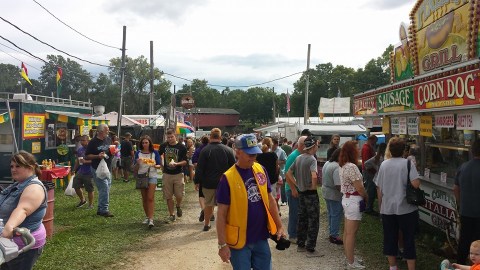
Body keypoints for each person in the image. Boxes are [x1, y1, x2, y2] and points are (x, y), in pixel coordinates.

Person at [216, 134, 285, 270]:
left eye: (255, 154)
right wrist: (222, 245)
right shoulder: (227, 178)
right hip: (239, 242)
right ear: (238, 151)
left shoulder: (260, 169)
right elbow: (221, 214)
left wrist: (279, 226)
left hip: (261, 237)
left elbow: (270, 200)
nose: (253, 158)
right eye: (250, 154)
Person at [376, 137, 420, 270]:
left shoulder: (384, 164)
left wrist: (380, 206)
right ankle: (410, 267)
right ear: (404, 150)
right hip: (406, 208)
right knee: (408, 239)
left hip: (387, 208)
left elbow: (379, 188)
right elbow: (416, 184)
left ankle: (393, 267)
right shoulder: (407, 164)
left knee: (390, 238)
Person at [0, 151, 47, 269]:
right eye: (12, 166)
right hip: (7, 244)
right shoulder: (17, 184)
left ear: (30, 167)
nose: (13, 169)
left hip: (23, 246)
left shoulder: (34, 187)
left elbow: (23, 209)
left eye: (18, 166)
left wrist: (8, 229)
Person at [286, 136, 322, 257]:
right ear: (313, 146)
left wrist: (296, 183)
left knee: (302, 218)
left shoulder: (298, 158)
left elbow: (288, 173)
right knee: (313, 220)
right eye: (317, 145)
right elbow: (314, 176)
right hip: (310, 194)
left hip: (301, 192)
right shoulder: (312, 159)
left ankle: (301, 244)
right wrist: (313, 187)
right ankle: (311, 248)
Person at [195, 128, 235, 231]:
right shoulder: (228, 150)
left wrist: (197, 181)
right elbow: (233, 168)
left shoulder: (205, 150)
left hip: (208, 182)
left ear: (210, 137)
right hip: (225, 183)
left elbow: (200, 168)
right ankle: (224, 225)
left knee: (208, 204)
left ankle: (207, 224)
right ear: (220, 137)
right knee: (225, 204)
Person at [339, 140, 368, 269]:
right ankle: (351, 262)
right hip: (353, 200)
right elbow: (360, 188)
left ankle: (349, 258)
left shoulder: (343, 165)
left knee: (347, 231)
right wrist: (366, 197)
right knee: (351, 233)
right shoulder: (352, 167)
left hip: (347, 198)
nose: (359, 150)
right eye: (357, 148)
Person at [454, 140, 480, 265]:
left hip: (465, 211)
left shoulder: (463, 167)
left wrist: (460, 204)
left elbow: (456, 189)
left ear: (472, 151)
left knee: (464, 241)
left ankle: (459, 265)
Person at [85, 123, 114, 217]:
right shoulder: (93, 142)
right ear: (101, 132)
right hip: (97, 168)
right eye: (107, 130)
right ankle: (104, 210)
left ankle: (100, 209)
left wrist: (114, 150)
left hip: (108, 167)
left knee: (106, 189)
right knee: (104, 188)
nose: (108, 132)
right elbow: (87, 156)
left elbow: (109, 152)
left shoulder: (108, 139)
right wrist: (98, 156)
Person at [159, 128, 188, 222]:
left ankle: (178, 205)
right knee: (168, 196)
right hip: (167, 174)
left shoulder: (182, 147)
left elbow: (185, 161)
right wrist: (161, 165)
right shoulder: (163, 146)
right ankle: (171, 214)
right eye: (168, 137)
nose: (170, 139)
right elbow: (157, 155)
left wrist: (176, 164)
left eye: (172, 137)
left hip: (178, 173)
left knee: (179, 195)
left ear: (176, 136)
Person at [134, 135, 161, 228]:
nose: (145, 144)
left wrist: (154, 165)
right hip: (142, 176)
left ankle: (151, 219)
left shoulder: (154, 153)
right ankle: (147, 216)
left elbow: (159, 165)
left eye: (146, 142)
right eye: (143, 143)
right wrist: (137, 163)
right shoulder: (138, 153)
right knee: (144, 198)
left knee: (150, 197)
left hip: (152, 176)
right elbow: (134, 168)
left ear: (150, 143)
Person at [284, 135, 307, 244]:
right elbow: (287, 174)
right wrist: (293, 188)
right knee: (294, 212)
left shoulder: (303, 155)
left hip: (300, 189)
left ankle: (298, 233)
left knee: (300, 212)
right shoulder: (293, 156)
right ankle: (292, 235)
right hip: (292, 189)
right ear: (301, 145)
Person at [322, 148, 343, 245]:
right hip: (334, 194)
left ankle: (331, 232)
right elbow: (338, 184)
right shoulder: (337, 167)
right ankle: (334, 235)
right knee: (336, 214)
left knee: (331, 213)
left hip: (326, 191)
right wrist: (345, 193)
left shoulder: (327, 163)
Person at [363, 142, 387, 215]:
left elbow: (366, 164)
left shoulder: (377, 157)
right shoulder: (384, 158)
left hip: (377, 178)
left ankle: (381, 212)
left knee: (379, 195)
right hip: (383, 178)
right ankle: (383, 211)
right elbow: (366, 164)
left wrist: (374, 168)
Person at [256, 137, 279, 211]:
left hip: (262, 180)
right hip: (272, 179)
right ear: (271, 144)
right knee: (273, 198)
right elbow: (277, 168)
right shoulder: (273, 155)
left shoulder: (258, 156)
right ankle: (275, 212)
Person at [72, 135, 94, 209]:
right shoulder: (80, 149)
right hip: (81, 171)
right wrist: (74, 170)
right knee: (76, 185)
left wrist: (86, 161)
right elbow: (78, 161)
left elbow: (95, 161)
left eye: (83, 140)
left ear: (88, 141)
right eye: (81, 140)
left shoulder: (91, 149)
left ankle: (90, 205)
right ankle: (83, 200)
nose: (81, 142)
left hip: (89, 172)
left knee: (89, 189)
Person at [192, 135, 209, 222]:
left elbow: (194, 162)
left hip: (201, 174)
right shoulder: (211, 149)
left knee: (201, 194)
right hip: (211, 174)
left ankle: (203, 209)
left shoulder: (198, 150)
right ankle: (211, 213)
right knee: (210, 195)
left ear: (202, 141)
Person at [272, 138, 287, 208]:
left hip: (281, 172)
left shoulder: (281, 151)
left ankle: (284, 201)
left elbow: (285, 160)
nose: (271, 145)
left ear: (276, 144)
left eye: (272, 144)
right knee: (276, 188)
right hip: (273, 173)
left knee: (282, 187)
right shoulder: (270, 150)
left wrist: (277, 162)